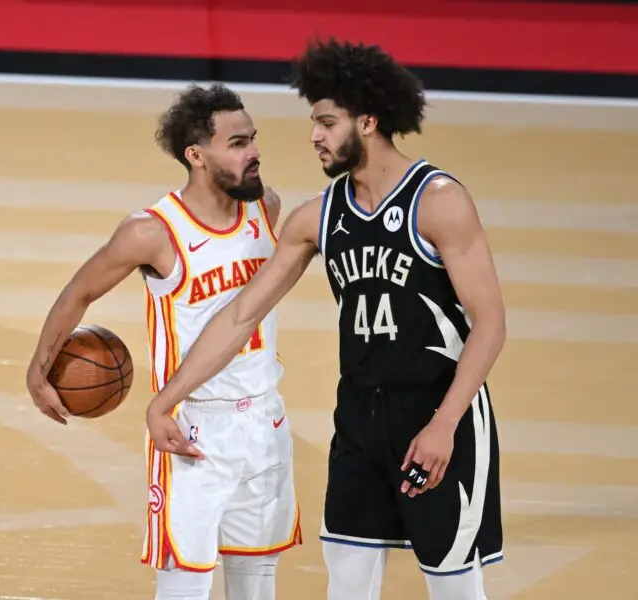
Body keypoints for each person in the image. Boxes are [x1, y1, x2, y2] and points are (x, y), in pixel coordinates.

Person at [145, 39, 507, 600]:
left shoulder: (438, 201)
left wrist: (444, 424)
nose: (314, 134)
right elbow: (240, 314)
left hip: (438, 410)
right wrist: (166, 398)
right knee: (347, 585)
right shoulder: (318, 216)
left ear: (367, 120)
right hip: (360, 418)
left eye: (326, 121)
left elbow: (490, 325)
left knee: (456, 590)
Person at [26, 83, 301, 600]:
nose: (255, 151)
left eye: (254, 139)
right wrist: (37, 371)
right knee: (183, 588)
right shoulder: (153, 231)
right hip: (190, 428)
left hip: (265, 423)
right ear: (196, 155)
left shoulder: (267, 207)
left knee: (257, 586)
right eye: (238, 143)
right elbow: (79, 291)